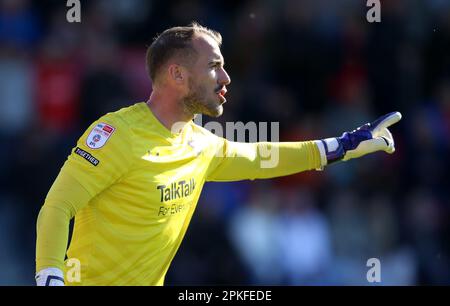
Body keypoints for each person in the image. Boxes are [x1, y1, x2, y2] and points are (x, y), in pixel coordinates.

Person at [35, 22, 401, 286]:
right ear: (177, 75)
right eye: (213, 66)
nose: (225, 77)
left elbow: (262, 157)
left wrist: (343, 146)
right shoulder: (116, 134)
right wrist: (50, 276)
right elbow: (56, 207)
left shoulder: (200, 143)